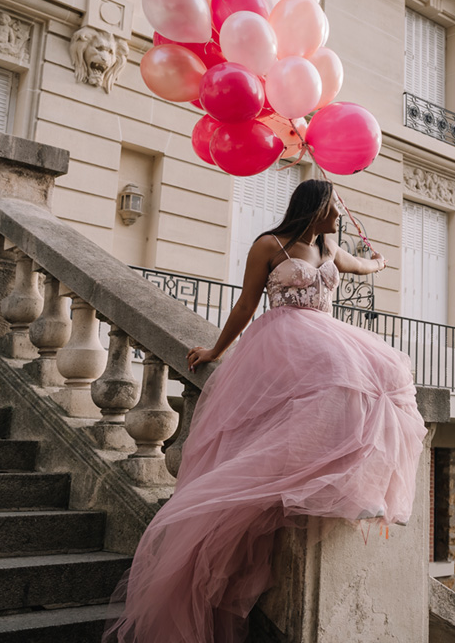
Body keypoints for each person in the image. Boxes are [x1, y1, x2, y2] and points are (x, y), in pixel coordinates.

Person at [105, 179, 426, 643]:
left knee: (387, 375)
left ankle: (362, 485)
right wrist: (216, 349)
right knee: (342, 376)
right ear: (314, 208)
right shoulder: (269, 245)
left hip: (325, 336)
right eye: (334, 207)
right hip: (283, 342)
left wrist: (378, 262)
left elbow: (359, 265)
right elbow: (246, 303)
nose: (339, 214)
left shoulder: (330, 246)